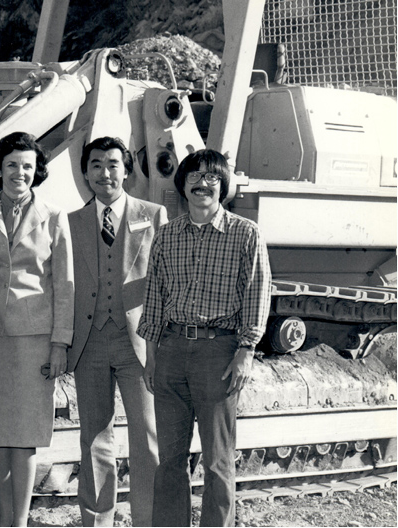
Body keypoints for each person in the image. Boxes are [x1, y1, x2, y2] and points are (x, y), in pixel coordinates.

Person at [137, 149, 271, 526]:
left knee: (217, 461)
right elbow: (154, 301)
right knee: (170, 461)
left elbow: (258, 292)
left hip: (219, 353)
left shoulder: (246, 234)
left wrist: (246, 350)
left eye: (212, 177)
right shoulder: (165, 237)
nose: (202, 183)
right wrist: (152, 358)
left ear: (223, 186)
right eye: (194, 176)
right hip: (171, 352)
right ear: (182, 186)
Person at [0, 131, 74, 527]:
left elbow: (63, 285)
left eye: (27, 166)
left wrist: (59, 342)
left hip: (35, 338)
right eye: (12, 164)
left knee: (26, 431)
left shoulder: (53, 216)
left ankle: (20, 520)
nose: (20, 172)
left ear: (37, 172)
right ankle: (2, 516)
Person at [67, 137, 166, 527]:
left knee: (147, 437)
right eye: (95, 165)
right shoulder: (70, 221)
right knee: (93, 439)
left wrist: (159, 341)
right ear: (85, 172)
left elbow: (164, 283)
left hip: (140, 342)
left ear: (126, 170)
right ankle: (96, 520)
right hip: (89, 343)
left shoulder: (153, 215)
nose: (104, 173)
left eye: (112, 164)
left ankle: (149, 520)